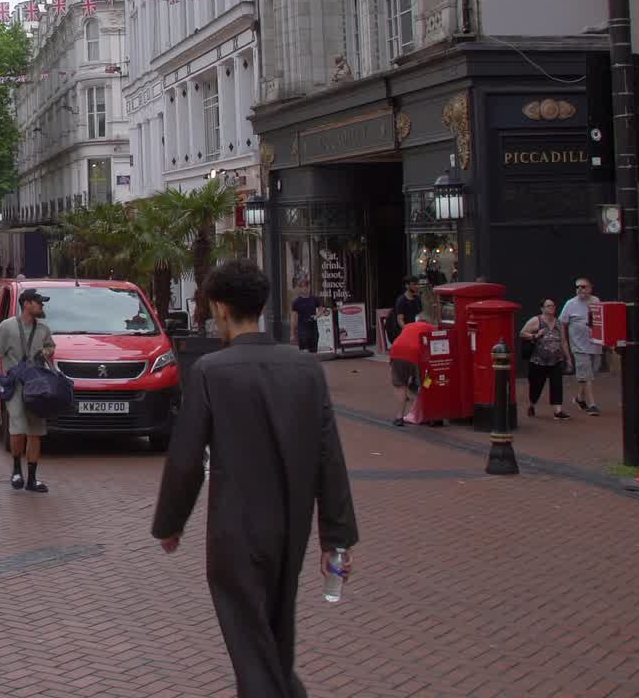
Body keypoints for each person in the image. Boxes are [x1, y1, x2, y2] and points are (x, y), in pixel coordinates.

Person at [151, 259, 358, 698]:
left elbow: (186, 457)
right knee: (274, 631)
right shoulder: (306, 369)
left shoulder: (210, 371)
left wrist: (170, 523)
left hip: (236, 527)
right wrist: (335, 539)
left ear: (222, 309)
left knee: (250, 637)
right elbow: (330, 458)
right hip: (292, 524)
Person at [0, 289, 57, 492]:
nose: (42, 306)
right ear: (26, 304)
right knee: (17, 429)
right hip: (15, 387)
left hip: (37, 388)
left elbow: (52, 347)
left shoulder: (43, 329)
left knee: (35, 432)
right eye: (39, 302)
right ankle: (17, 469)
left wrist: (47, 351)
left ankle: (32, 478)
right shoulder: (7, 327)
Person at [520, 297, 571, 419]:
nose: (552, 308)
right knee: (536, 386)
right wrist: (535, 335)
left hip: (556, 360)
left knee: (557, 385)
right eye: (548, 306)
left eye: (553, 306)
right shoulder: (536, 320)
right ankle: (532, 404)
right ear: (542, 308)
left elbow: (563, 341)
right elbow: (522, 333)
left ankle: (557, 411)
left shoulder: (559, 323)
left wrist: (568, 359)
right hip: (538, 361)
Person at [560, 276, 603, 415]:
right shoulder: (570, 303)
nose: (580, 289)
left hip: (595, 344)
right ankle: (592, 405)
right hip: (579, 346)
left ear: (590, 288)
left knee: (591, 373)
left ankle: (579, 398)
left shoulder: (596, 301)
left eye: (583, 286)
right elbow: (562, 323)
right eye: (577, 287)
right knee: (587, 375)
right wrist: (565, 342)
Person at [389, 318, 431, 426]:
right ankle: (428, 415)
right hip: (416, 354)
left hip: (396, 352)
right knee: (427, 383)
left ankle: (399, 418)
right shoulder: (430, 328)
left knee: (400, 385)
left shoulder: (408, 326)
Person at [290, 281, 321, 355]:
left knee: (314, 354)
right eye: (303, 287)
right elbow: (293, 318)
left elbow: (322, 309)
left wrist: (316, 316)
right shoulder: (296, 302)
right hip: (302, 331)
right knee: (304, 354)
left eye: (307, 286)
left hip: (313, 330)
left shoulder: (314, 299)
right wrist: (292, 334)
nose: (305, 289)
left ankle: (313, 366)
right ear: (300, 288)